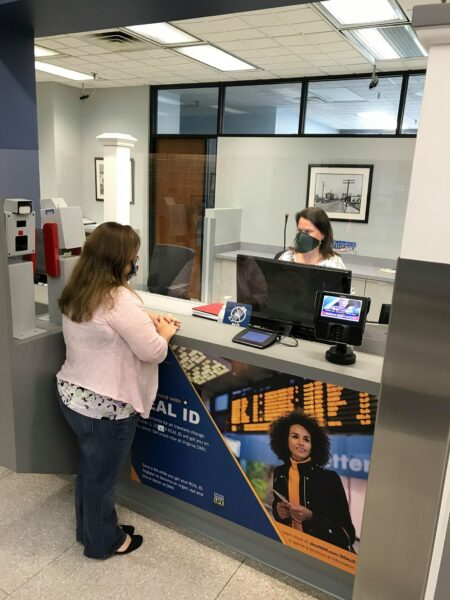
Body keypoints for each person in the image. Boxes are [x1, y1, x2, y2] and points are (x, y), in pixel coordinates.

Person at [56, 222, 180, 559]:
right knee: (102, 478)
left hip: (73, 397)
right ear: (118, 261)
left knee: (89, 471)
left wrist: (143, 316)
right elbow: (153, 352)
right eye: (133, 258)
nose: (135, 263)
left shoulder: (80, 287)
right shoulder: (119, 298)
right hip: (106, 409)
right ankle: (104, 542)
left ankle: (88, 530)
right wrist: (165, 333)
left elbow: (107, 322)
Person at [269, 410, 355, 551]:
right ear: (285, 440)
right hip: (289, 546)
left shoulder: (330, 479)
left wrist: (311, 517)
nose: (301, 443)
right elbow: (278, 512)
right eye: (295, 436)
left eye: (307, 439)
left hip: (319, 554)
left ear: (313, 446)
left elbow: (348, 535)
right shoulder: (279, 473)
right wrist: (278, 511)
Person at [277, 207, 346, 269]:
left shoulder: (334, 265)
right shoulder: (285, 259)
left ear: (323, 234)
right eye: (299, 230)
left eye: (308, 231)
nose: (302, 236)